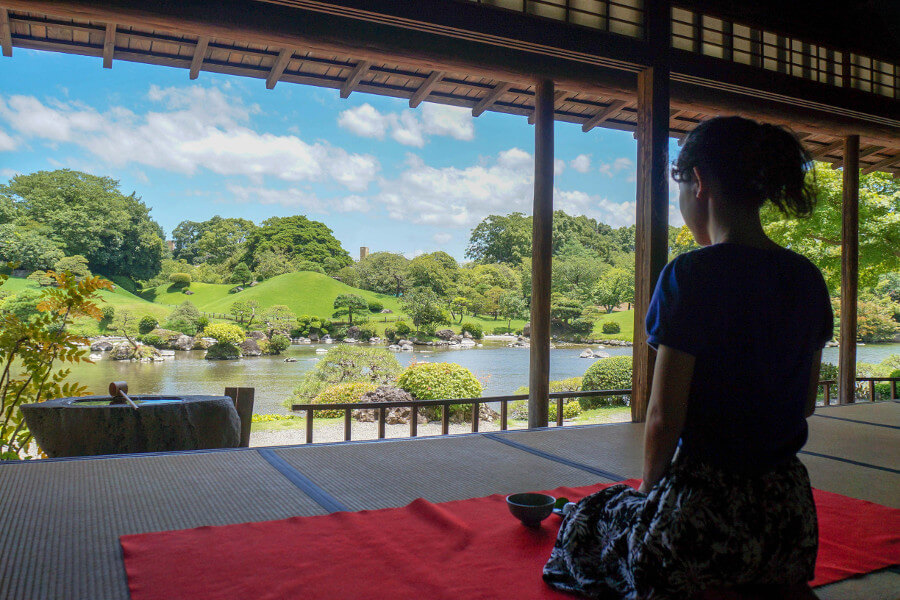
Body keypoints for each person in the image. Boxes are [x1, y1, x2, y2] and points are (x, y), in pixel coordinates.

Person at [543, 116, 834, 599]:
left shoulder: (690, 275)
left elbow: (663, 417)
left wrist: (647, 492)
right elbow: (804, 404)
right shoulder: (806, 277)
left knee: (591, 519)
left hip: (702, 515)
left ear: (697, 182)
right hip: (788, 521)